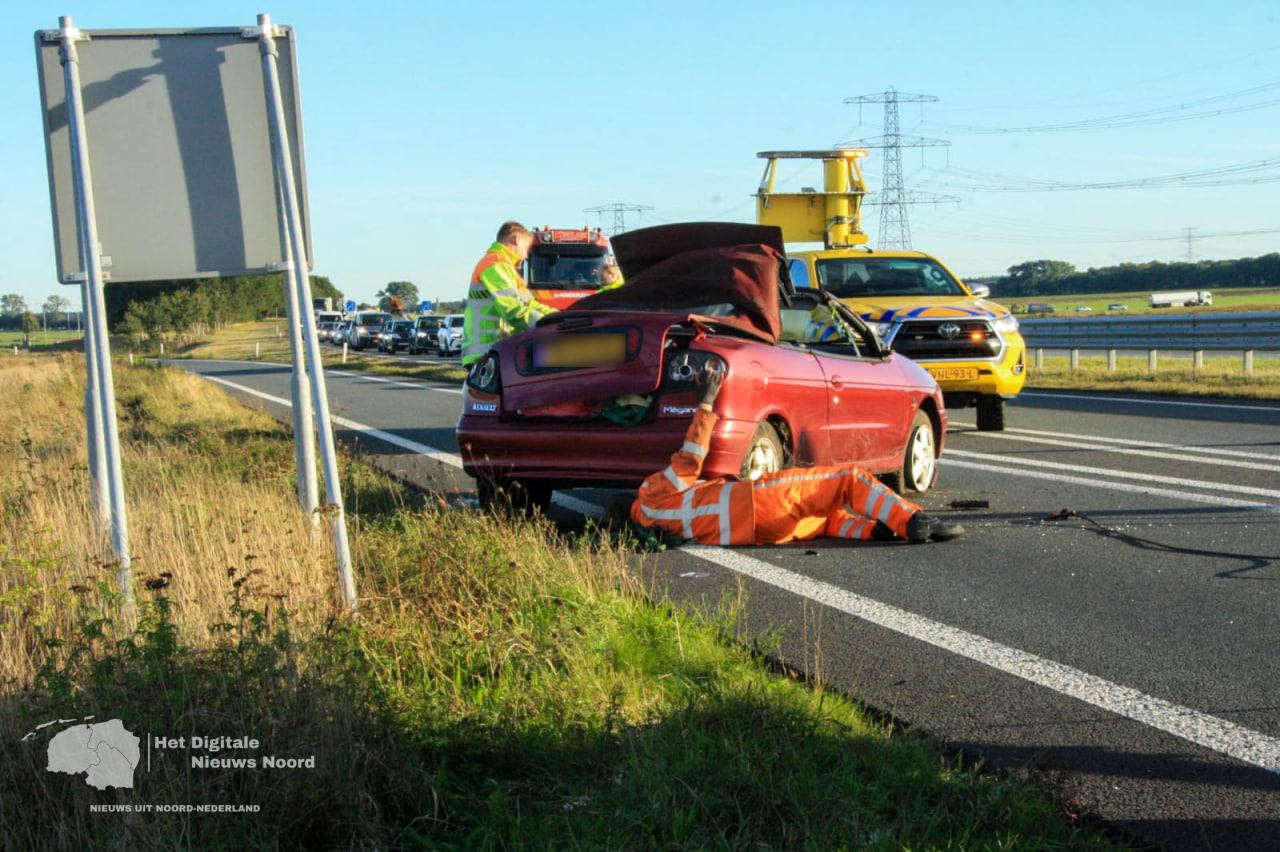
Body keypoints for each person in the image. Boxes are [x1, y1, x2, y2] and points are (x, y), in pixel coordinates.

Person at [607, 366, 964, 546]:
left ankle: (875, 531)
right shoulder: (649, 495)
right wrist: (706, 401)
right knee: (846, 480)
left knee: (821, 519)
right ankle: (912, 521)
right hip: (757, 500)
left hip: (762, 532)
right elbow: (690, 460)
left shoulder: (655, 527)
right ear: (628, 499)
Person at [462, 221, 557, 367]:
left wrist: (558, 316)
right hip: (486, 354)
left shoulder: (505, 268)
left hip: (494, 352)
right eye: (526, 248)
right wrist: (547, 324)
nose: (526, 255)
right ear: (516, 239)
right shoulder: (495, 265)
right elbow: (512, 310)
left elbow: (530, 304)